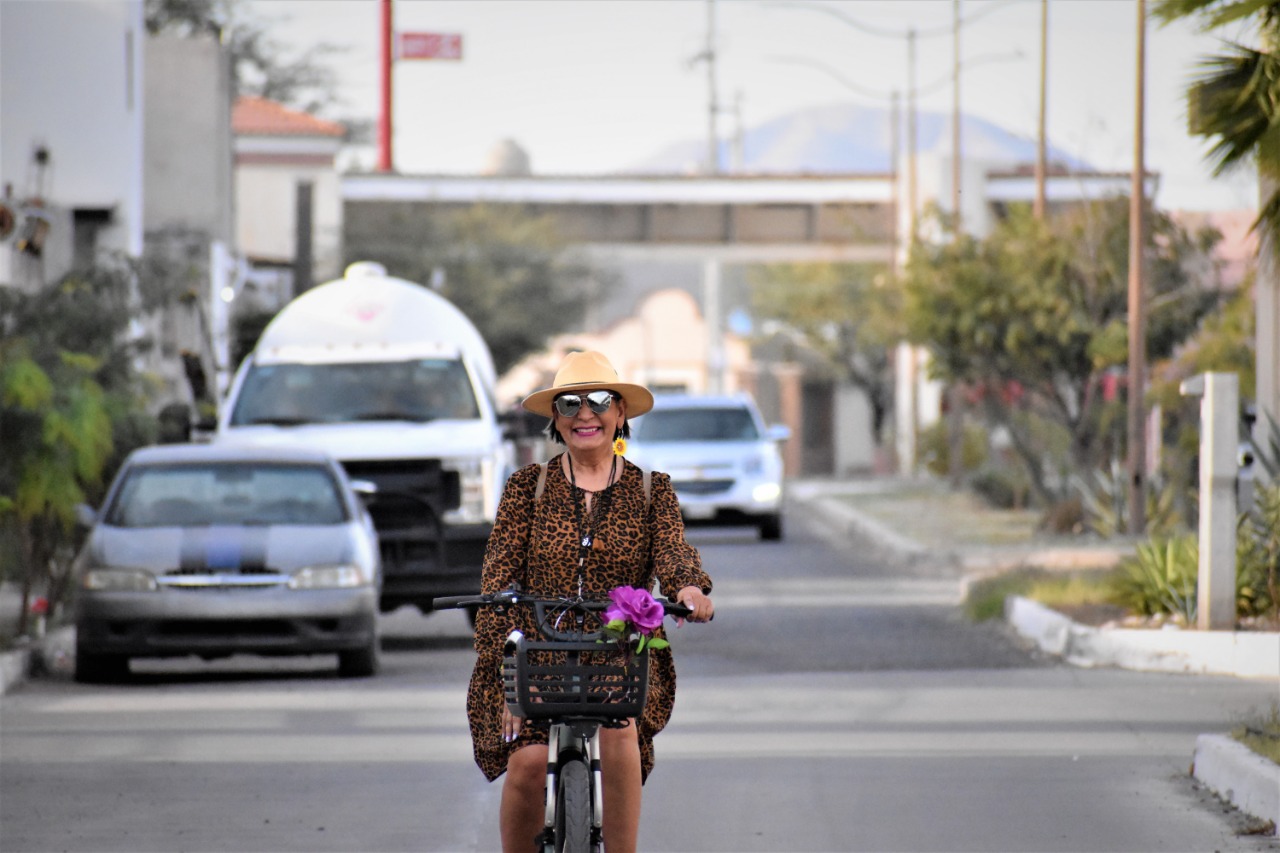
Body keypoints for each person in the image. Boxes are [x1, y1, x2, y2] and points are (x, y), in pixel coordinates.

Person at [466, 350, 715, 853]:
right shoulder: (525, 489)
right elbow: (498, 580)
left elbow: (673, 551)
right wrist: (507, 676)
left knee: (620, 736)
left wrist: (689, 588)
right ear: (555, 419)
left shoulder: (651, 490)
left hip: (617, 655)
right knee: (529, 765)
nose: (585, 413)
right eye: (570, 403)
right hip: (534, 655)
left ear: (620, 412)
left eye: (600, 400)